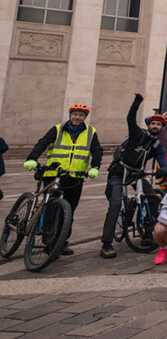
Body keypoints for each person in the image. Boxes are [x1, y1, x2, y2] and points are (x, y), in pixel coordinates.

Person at [24, 102, 103, 255]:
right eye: (75, 114)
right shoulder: (57, 129)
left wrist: (95, 167)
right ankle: (48, 241)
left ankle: (62, 242)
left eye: (81, 115)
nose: (77, 117)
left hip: (75, 177)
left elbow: (97, 150)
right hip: (54, 175)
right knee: (51, 209)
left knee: (69, 211)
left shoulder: (90, 132)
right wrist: (32, 158)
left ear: (85, 117)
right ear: (70, 115)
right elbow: (43, 143)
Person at [98, 94, 167, 258]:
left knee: (152, 197)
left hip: (136, 174)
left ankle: (148, 234)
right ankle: (106, 243)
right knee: (115, 204)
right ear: (148, 125)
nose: (155, 126)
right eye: (153, 123)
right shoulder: (138, 135)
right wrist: (135, 105)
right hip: (119, 171)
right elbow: (130, 119)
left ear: (162, 128)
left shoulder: (157, 145)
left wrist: (164, 170)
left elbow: (163, 161)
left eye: (159, 124)